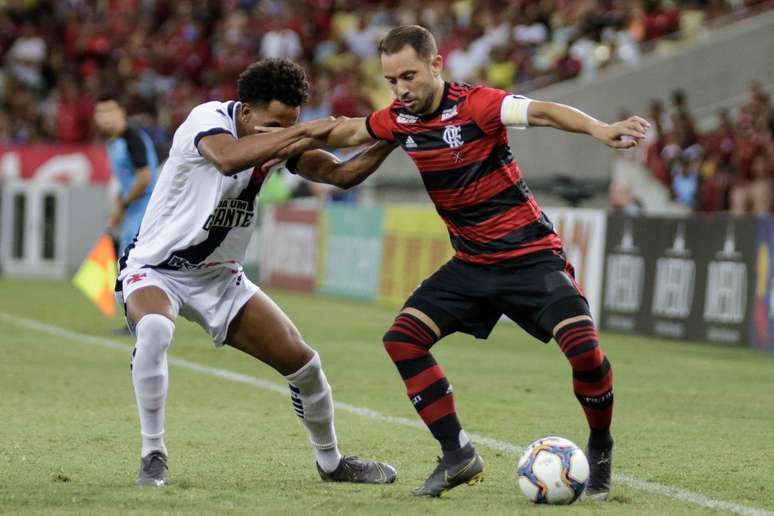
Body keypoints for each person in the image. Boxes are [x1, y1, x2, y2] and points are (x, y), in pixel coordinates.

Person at [285, 25, 650, 499]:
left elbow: (541, 111)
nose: (401, 89)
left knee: (584, 350)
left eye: (409, 76)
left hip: (530, 256)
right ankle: (457, 454)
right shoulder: (399, 118)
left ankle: (599, 443)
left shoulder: (478, 104)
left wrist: (600, 129)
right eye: (392, 80)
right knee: (402, 340)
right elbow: (345, 131)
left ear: (436, 65)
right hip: (473, 265)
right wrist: (283, 140)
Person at [115, 58, 397, 487]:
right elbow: (227, 161)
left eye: (291, 124)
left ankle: (332, 463)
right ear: (245, 112)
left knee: (305, 365)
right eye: (274, 124)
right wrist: (301, 132)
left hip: (221, 278)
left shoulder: (278, 138)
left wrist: (395, 135)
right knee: (155, 329)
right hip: (157, 268)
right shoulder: (205, 120)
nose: (282, 133)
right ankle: (152, 453)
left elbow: (341, 173)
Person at [94, 93, 160, 256]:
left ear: (121, 112)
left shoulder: (133, 139)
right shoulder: (113, 141)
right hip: (133, 209)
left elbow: (145, 177)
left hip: (147, 208)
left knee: (132, 257)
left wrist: (122, 204)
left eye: (109, 110)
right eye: (100, 112)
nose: (104, 117)